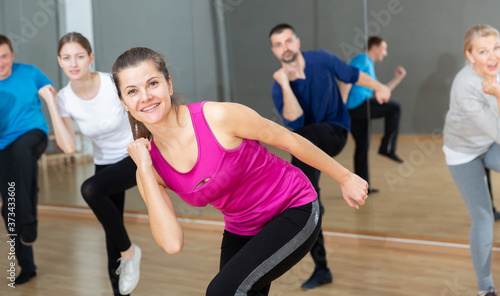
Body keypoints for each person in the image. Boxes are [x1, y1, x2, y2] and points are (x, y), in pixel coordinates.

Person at [111, 46, 369, 296]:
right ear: (124, 102)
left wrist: (345, 177)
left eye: (152, 84)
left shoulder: (217, 117)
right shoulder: (150, 168)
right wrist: (144, 168)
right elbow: (172, 243)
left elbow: (288, 139)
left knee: (222, 291)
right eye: (132, 91)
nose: (145, 97)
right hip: (242, 228)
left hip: (293, 207)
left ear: (168, 85)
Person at [269, 23, 391, 290]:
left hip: (334, 133)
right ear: (274, 50)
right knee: (307, 201)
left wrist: (380, 85)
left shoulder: (321, 59)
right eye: (278, 44)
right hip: (307, 147)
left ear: (297, 42)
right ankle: (322, 266)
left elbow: (352, 75)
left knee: (300, 141)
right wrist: (285, 84)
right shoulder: (279, 88)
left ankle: (334, 185)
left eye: (288, 41)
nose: (285, 48)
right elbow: (296, 119)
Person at [38, 32, 140, 296]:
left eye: (80, 56)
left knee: (90, 189)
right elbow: (70, 146)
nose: (74, 63)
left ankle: (130, 252)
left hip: (134, 155)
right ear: (59, 62)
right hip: (104, 163)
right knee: (111, 233)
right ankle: (120, 291)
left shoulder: (111, 82)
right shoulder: (63, 98)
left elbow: (139, 113)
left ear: (91, 58)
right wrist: (50, 102)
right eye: (67, 58)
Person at [443, 24, 500, 296]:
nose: (493, 57)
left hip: (487, 143)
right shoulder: (465, 87)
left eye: (496, 48)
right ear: (469, 54)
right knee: (483, 218)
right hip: (463, 153)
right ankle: (485, 288)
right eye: (483, 51)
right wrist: (498, 94)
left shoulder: (497, 70)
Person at [0, 34, 52, 285]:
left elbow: (52, 97)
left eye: (4, 56)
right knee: (8, 206)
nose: (1, 62)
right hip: (3, 146)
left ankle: (30, 221)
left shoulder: (30, 72)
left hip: (33, 134)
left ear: (12, 55)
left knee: (22, 154)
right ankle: (27, 266)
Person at [341, 36, 406, 194]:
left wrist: (398, 78)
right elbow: (346, 79)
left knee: (362, 146)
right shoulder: (362, 59)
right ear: (375, 48)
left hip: (359, 108)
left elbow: (382, 91)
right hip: (358, 106)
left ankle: (362, 187)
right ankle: (386, 147)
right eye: (384, 49)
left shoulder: (368, 64)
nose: (385, 53)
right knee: (395, 108)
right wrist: (340, 107)